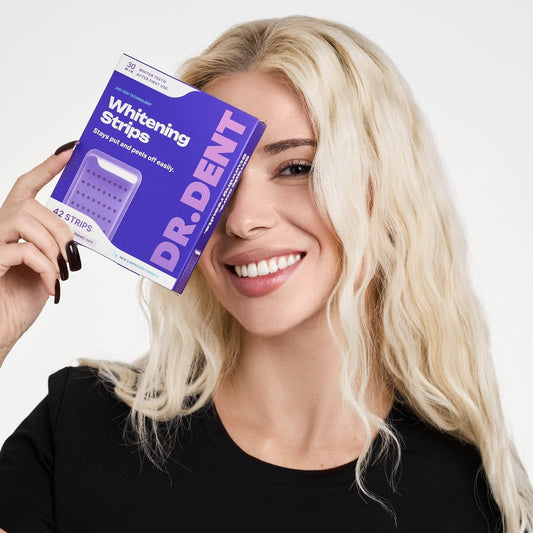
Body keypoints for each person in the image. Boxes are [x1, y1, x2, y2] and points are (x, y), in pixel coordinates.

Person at [0, 15, 531, 533]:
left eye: (296, 168)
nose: (241, 219)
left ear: (385, 189)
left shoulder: (473, 493)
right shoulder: (82, 426)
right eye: (214, 179)